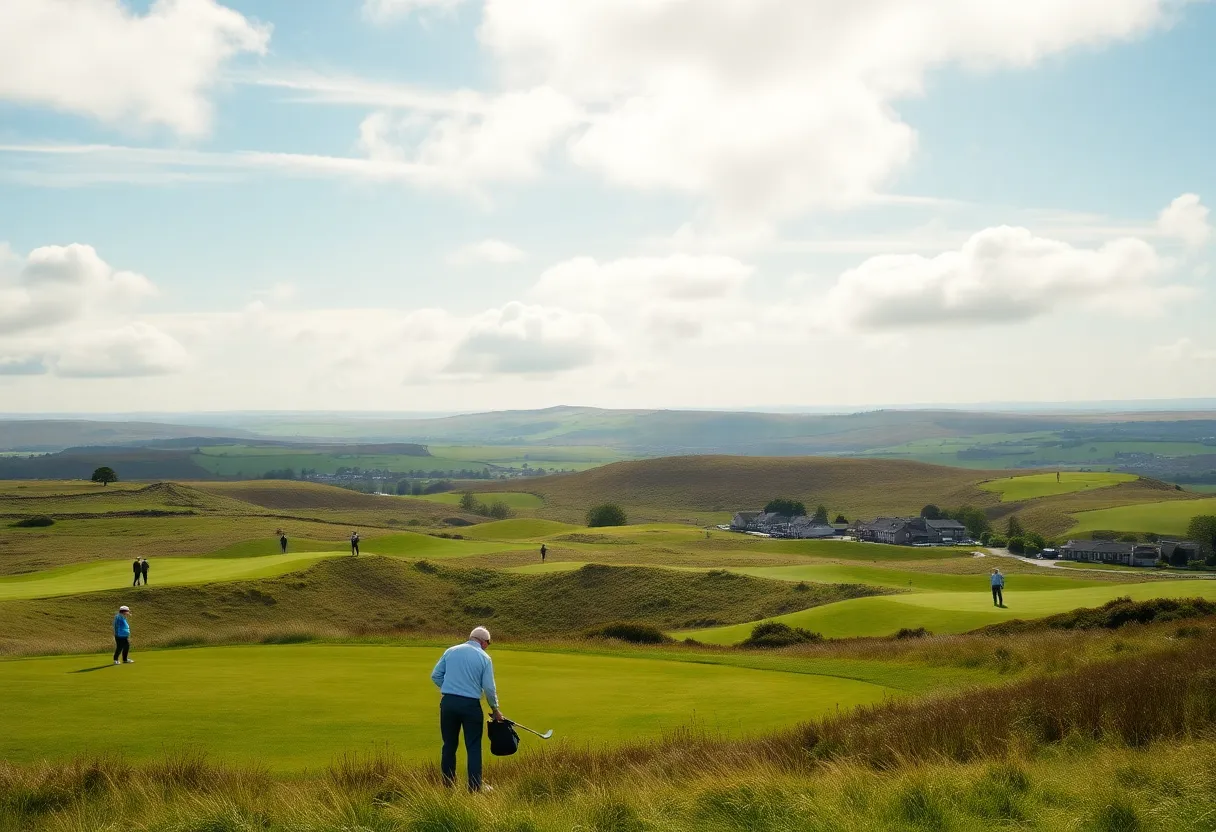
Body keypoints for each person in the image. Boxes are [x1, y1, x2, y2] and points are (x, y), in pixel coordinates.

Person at [430, 626, 503, 792]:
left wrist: (449, 689)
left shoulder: (451, 651)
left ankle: (448, 786)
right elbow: (489, 689)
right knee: (473, 746)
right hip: (470, 706)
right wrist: (495, 709)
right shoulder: (485, 657)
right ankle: (475, 787)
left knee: (449, 745)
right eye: (488, 643)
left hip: (448, 703)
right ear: (483, 642)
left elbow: (435, 675)